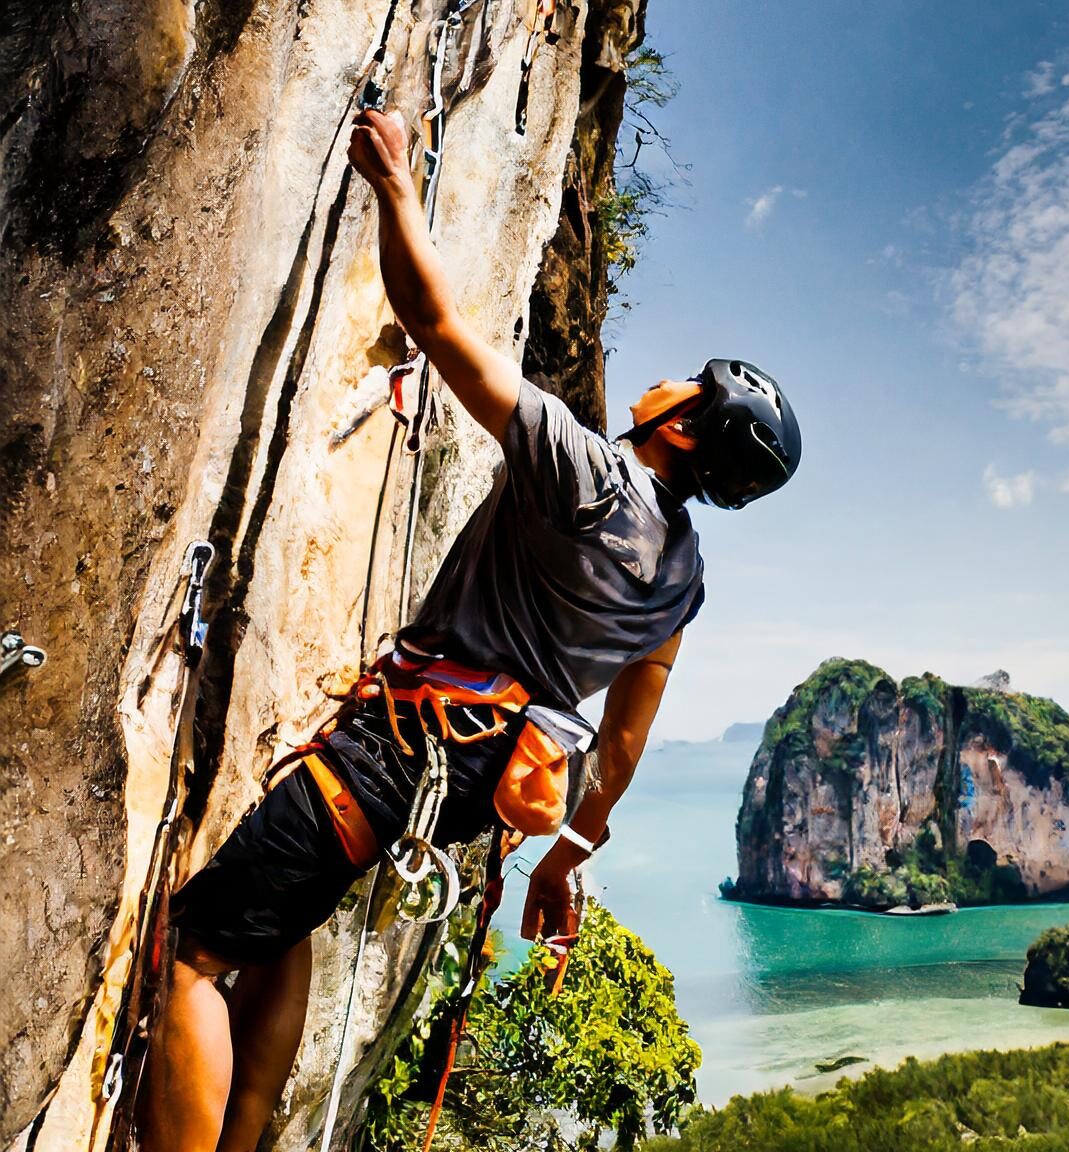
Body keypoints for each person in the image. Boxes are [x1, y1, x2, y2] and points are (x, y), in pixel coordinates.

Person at [139, 107, 801, 1152]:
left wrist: (393, 180)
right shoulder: (682, 578)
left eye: (687, 384)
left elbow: (439, 326)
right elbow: (622, 741)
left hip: (401, 754)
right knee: (284, 926)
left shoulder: (583, 472)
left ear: (682, 425)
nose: (667, 378)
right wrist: (562, 859)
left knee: (194, 954)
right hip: (477, 788)